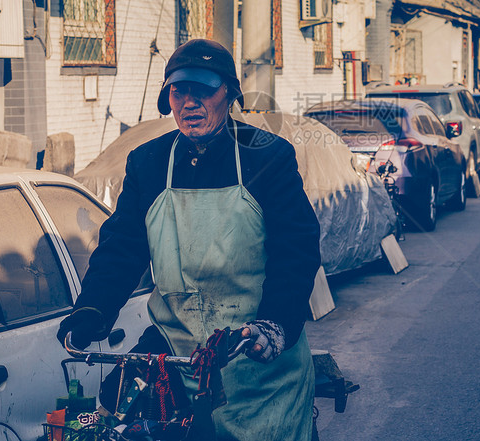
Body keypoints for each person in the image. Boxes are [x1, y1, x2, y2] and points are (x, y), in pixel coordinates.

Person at [57, 38, 321, 441]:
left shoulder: (267, 157)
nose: (190, 103)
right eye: (179, 91)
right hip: (176, 356)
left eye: (203, 90)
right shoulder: (149, 162)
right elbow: (122, 247)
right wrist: (93, 308)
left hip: (257, 359)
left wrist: (274, 325)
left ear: (229, 95)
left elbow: (296, 251)